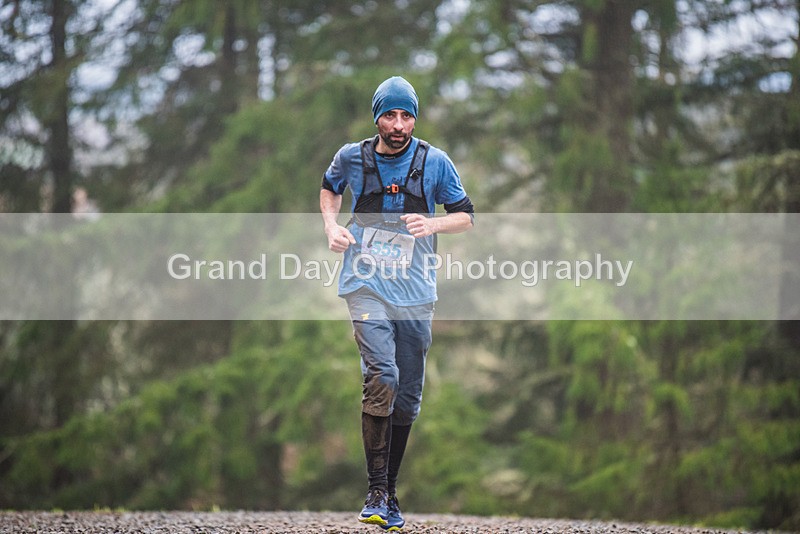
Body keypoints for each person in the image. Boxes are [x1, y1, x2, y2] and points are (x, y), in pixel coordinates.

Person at [319, 76, 474, 530]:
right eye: (390, 115)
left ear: (415, 119)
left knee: (406, 397)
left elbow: (466, 215)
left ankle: (389, 491)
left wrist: (434, 225)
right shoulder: (353, 158)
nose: (399, 125)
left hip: (416, 292)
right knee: (383, 375)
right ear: (377, 118)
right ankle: (375, 490)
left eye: (407, 115)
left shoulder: (435, 162)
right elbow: (329, 187)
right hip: (365, 284)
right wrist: (331, 227)